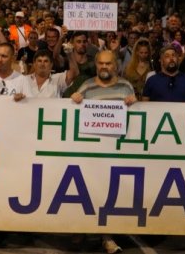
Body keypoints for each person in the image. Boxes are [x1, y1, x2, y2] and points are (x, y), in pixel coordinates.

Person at [70, 50, 133, 254]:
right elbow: (70, 112)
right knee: (88, 192)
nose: (104, 67)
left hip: (116, 152)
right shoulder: (87, 86)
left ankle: (107, 237)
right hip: (91, 153)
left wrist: (135, 103)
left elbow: (135, 120)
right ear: (96, 65)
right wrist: (75, 99)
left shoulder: (126, 87)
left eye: (108, 63)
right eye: (100, 63)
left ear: (116, 65)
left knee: (110, 196)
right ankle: (83, 230)